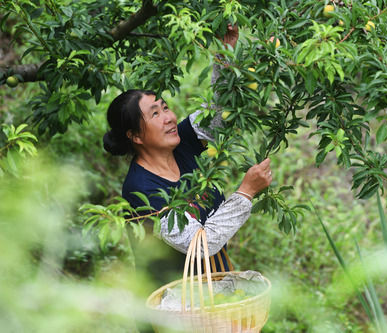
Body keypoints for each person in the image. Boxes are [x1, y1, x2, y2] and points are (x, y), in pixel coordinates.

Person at [102, 24, 272, 275]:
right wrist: (245, 192)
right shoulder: (142, 190)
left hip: (216, 286)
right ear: (135, 135)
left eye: (165, 107)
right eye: (155, 114)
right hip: (178, 303)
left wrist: (226, 55)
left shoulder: (180, 143)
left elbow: (217, 115)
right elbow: (200, 245)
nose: (169, 117)